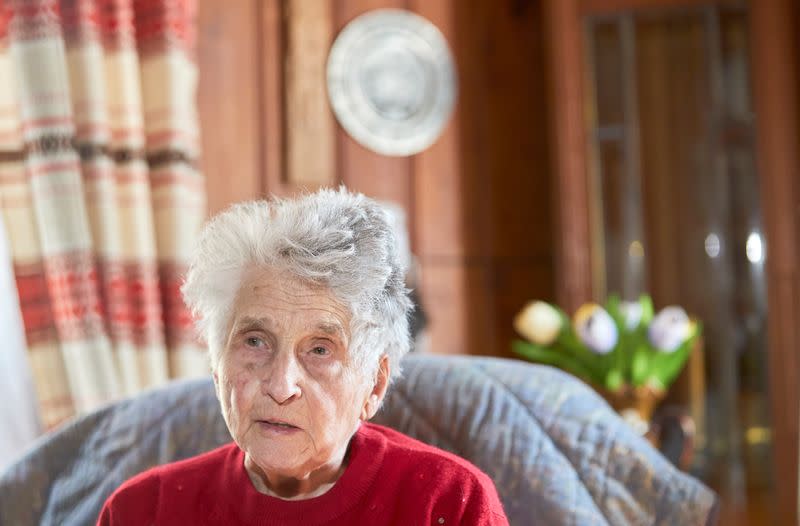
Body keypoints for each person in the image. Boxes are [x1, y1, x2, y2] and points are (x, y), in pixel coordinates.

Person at [97, 188, 508, 525]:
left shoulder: (450, 503)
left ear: (375, 384)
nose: (280, 385)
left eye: (319, 350)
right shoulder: (142, 512)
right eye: (255, 341)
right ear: (217, 362)